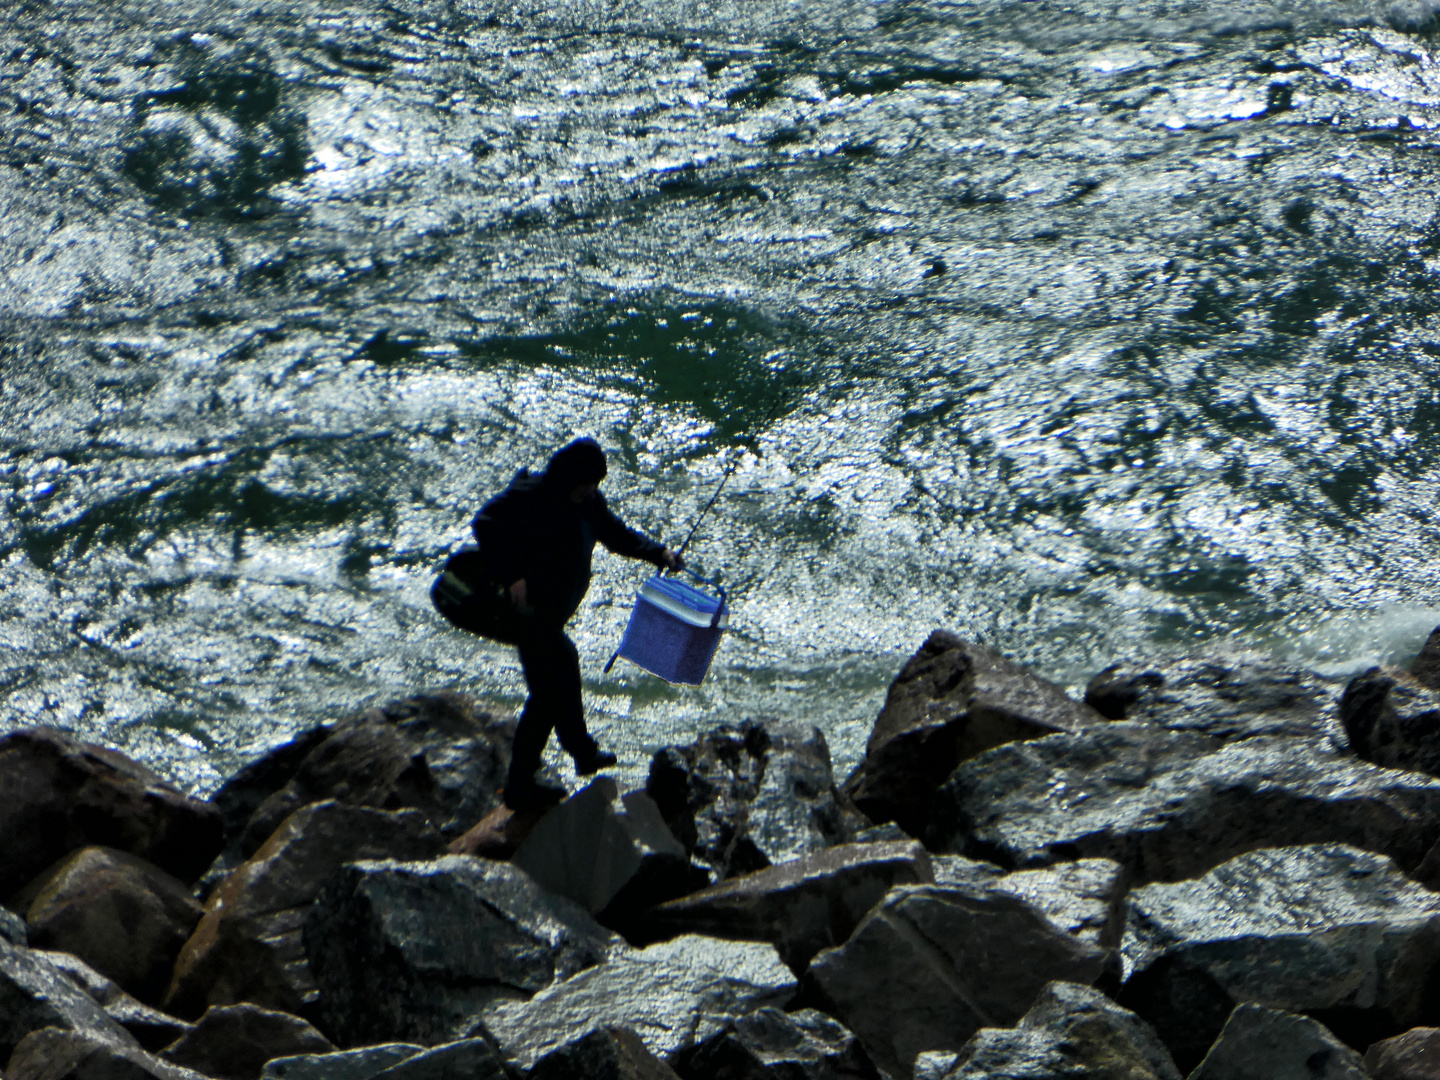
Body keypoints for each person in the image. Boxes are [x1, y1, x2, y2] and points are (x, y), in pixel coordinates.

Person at [431, 437, 683, 810]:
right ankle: (530, 781)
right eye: (586, 483)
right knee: (555, 680)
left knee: (554, 681)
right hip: (523, 613)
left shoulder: (587, 503)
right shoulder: (533, 495)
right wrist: (513, 573)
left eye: (595, 485)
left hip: (547, 616)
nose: (591, 491)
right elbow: (485, 522)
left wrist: (659, 553)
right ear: (569, 478)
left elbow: (616, 535)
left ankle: (577, 755)